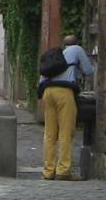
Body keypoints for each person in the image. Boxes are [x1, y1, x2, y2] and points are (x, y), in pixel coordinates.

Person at [38, 34, 96, 181]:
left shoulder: (56, 55)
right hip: (64, 93)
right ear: (76, 43)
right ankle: (63, 171)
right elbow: (89, 71)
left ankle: (48, 171)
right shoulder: (77, 49)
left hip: (48, 92)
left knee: (50, 134)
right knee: (65, 132)